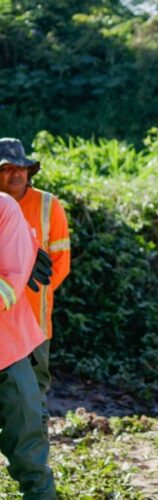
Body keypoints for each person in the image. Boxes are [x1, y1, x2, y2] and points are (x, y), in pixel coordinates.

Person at [0, 138, 71, 437]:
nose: (16, 174)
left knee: (35, 390)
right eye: (7, 169)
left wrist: (29, 292)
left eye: (22, 168)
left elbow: (60, 261)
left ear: (30, 172)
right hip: (3, 326)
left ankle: (37, 450)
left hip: (36, 321)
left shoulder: (47, 203)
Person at [0, 192, 57, 498]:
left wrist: (26, 246)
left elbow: (8, 285)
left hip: (9, 352)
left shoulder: (3, 208)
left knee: (29, 454)